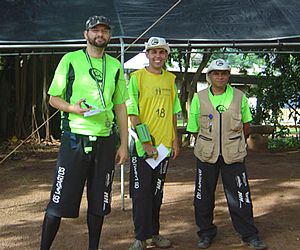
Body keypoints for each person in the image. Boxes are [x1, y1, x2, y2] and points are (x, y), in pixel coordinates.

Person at [40, 15, 128, 250]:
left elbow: (120, 106)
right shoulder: (70, 60)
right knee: (59, 200)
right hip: (75, 139)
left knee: (99, 201)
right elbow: (53, 98)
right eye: (95, 30)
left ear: (109, 36)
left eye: (105, 31)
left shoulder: (116, 66)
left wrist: (124, 144)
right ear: (85, 34)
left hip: (105, 139)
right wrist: (72, 108)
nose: (100, 34)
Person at [187, 59, 267, 250]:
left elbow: (246, 126)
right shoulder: (200, 97)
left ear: (228, 76)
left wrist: (231, 141)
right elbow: (194, 129)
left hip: (233, 154)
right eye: (216, 73)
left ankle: (249, 234)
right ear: (209, 76)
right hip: (206, 155)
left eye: (224, 73)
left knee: (240, 196)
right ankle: (205, 233)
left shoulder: (240, 97)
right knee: (203, 197)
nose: (220, 76)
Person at [126, 37, 182, 250]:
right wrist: (146, 141)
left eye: (162, 52)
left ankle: (154, 233)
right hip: (143, 148)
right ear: (147, 54)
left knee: (157, 193)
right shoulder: (137, 78)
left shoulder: (170, 79)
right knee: (141, 193)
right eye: (153, 52)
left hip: (164, 148)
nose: (157, 56)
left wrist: (175, 140)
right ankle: (140, 237)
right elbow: (133, 113)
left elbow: (173, 112)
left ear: (166, 55)